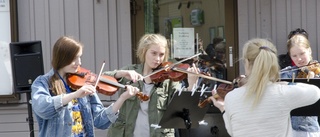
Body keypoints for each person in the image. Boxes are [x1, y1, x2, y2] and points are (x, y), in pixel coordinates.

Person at [31, 36, 140, 137]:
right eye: (75, 58)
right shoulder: (43, 82)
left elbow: (100, 121)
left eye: (80, 57)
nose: (79, 62)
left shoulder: (82, 82)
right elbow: (42, 108)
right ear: (62, 58)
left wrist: (122, 99)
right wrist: (74, 95)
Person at [210, 38, 320, 137]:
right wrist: (284, 84)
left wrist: (222, 107)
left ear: (246, 62)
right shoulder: (283, 93)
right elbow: (315, 92)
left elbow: (232, 131)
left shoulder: (231, 97)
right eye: (294, 55)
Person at [103, 34, 199, 137]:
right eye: (154, 53)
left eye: (161, 55)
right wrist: (121, 73)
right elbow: (101, 78)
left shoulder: (169, 79)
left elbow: (182, 108)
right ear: (144, 51)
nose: (157, 59)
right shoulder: (131, 71)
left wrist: (192, 84)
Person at [280, 34, 320, 136]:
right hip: (288, 129)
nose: (299, 59)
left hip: (309, 129)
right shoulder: (287, 73)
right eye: (294, 56)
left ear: (309, 51)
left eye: (302, 54)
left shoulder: (316, 71)